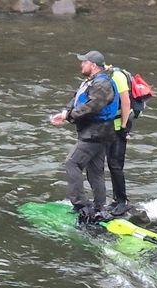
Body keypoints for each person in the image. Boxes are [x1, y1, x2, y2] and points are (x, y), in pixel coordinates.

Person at [49, 50, 118, 228]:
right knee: (95, 171)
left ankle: (82, 206)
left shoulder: (102, 84)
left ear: (93, 65)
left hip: (96, 132)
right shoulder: (91, 81)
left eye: (84, 62)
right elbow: (77, 99)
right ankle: (99, 207)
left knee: (72, 163)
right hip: (97, 132)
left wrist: (69, 116)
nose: (81, 65)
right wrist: (65, 113)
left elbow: (93, 106)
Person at [104, 62, 133, 218]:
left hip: (120, 126)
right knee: (112, 163)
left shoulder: (117, 76)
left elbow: (126, 102)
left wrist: (123, 126)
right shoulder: (105, 76)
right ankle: (117, 199)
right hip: (111, 126)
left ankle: (123, 201)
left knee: (116, 164)